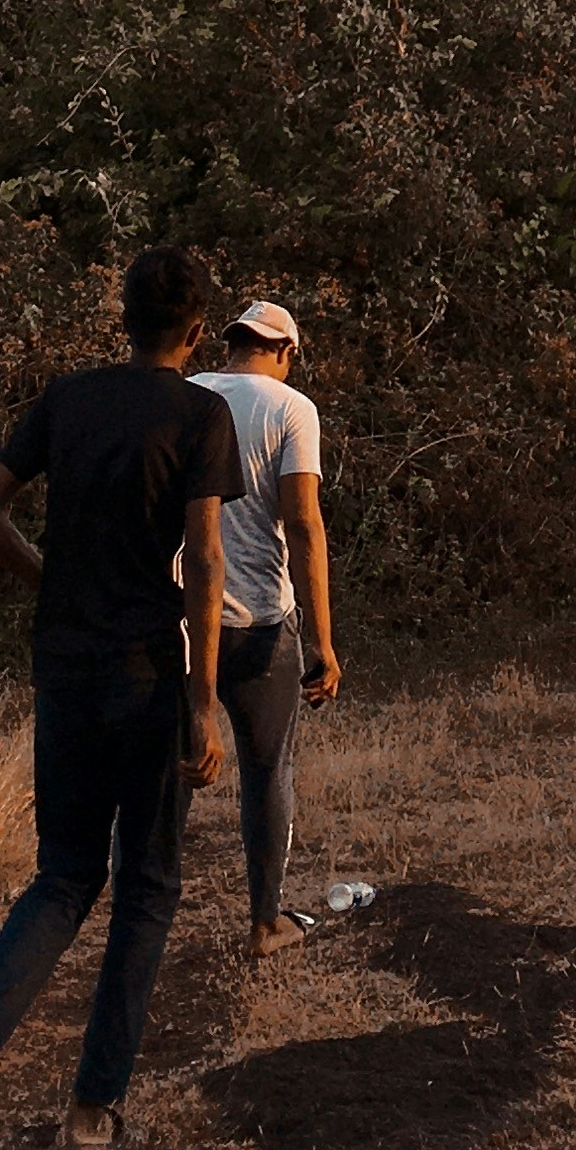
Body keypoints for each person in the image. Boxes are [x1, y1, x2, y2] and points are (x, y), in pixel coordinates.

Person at [0, 243, 237, 1150]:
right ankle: (91, 1112)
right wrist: (203, 701)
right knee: (148, 888)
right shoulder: (199, 413)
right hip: (145, 670)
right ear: (195, 328)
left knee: (62, 875)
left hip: (63, 671)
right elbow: (207, 560)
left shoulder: (66, 398)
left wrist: (51, 582)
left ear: (123, 318)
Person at [194, 295, 342, 962]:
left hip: (181, 620)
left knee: (170, 774)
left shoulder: (187, 393)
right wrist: (322, 641)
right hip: (257, 623)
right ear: (284, 351)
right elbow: (304, 523)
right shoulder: (291, 408)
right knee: (267, 769)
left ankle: (143, 918)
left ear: (230, 343)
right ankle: (263, 923)